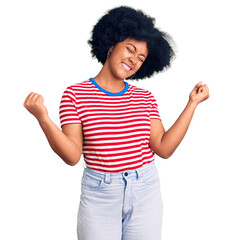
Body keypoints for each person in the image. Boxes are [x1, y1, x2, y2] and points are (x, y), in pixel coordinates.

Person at [23, 6, 209, 240]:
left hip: (145, 190)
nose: (134, 59)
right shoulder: (75, 95)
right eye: (130, 49)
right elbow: (72, 156)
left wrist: (192, 103)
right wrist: (43, 118)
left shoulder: (145, 97)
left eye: (141, 57)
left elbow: (163, 147)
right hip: (100, 195)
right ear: (111, 44)